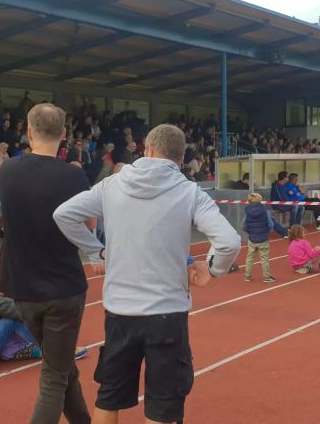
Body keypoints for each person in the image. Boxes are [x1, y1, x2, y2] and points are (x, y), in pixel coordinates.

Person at [53, 123, 241, 424]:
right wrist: (213, 269)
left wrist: (97, 250)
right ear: (180, 159)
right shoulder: (190, 191)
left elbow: (64, 214)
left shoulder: (111, 185)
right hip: (168, 312)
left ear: (147, 149)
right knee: (163, 403)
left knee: (109, 395)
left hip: (120, 310)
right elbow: (230, 241)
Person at [0, 103, 93, 424]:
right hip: (64, 289)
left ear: (28, 131)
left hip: (23, 290)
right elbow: (89, 229)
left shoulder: (8, 170)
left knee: (60, 365)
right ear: (64, 134)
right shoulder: (75, 177)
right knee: (54, 377)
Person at [241, 192, 277, 283]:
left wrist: (250, 231)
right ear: (260, 200)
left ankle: (247, 276)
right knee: (264, 258)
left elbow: (243, 226)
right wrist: (268, 230)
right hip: (263, 238)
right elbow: (270, 224)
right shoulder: (265, 211)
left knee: (249, 258)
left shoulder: (247, 211)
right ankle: (266, 277)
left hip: (252, 238)